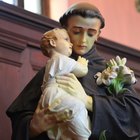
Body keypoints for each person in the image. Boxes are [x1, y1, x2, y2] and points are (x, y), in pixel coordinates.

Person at [6, 2, 140, 140]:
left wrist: (87, 100)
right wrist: (34, 126)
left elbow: (134, 114)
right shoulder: (53, 68)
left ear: (98, 34)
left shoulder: (111, 71)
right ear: (65, 29)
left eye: (91, 33)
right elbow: (20, 116)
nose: (83, 40)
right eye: (76, 31)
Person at [40, 28, 90, 140]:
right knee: (78, 107)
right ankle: (83, 136)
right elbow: (82, 71)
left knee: (60, 123)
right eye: (66, 39)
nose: (71, 43)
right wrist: (82, 64)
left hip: (48, 96)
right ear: (53, 42)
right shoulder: (62, 59)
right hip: (56, 95)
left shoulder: (50, 63)